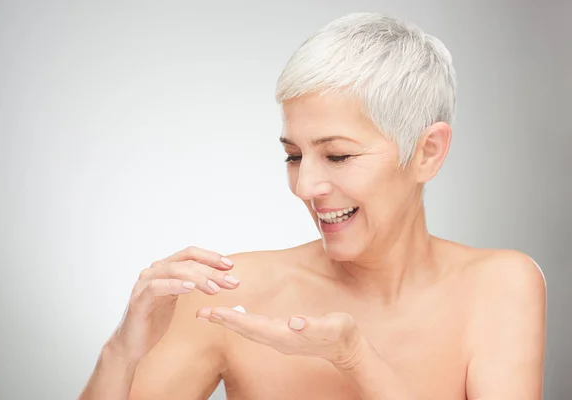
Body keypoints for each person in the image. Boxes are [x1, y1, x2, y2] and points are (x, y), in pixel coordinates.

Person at [78, 12, 546, 400]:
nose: (305, 187)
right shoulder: (225, 295)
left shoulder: (499, 288)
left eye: (338, 155)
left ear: (427, 152)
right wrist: (120, 352)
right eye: (294, 155)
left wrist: (356, 358)